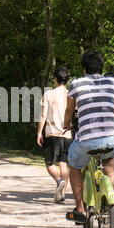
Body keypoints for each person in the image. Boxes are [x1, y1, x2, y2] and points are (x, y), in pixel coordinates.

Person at [63, 51, 114, 223]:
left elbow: (69, 110)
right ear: (102, 67)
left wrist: (66, 124)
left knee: (73, 165)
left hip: (87, 138)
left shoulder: (76, 84)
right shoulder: (112, 82)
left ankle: (80, 210)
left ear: (84, 69)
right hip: (112, 136)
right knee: (109, 161)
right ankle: (108, 196)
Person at [37, 67, 72, 203]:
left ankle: (58, 181)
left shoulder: (49, 94)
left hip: (53, 133)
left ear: (55, 79)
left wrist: (39, 132)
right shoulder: (70, 95)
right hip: (68, 134)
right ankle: (61, 195)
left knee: (49, 163)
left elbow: (43, 115)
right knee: (64, 164)